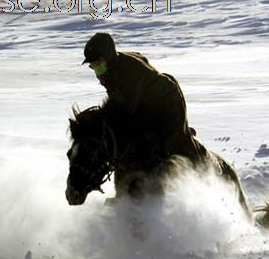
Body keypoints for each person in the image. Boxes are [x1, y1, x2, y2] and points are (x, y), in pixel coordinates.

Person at [82, 32, 207, 196]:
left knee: (158, 142)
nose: (96, 70)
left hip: (168, 102)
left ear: (109, 57)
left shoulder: (129, 71)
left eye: (98, 64)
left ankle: (185, 151)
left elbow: (126, 112)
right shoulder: (110, 70)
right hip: (146, 105)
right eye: (93, 66)